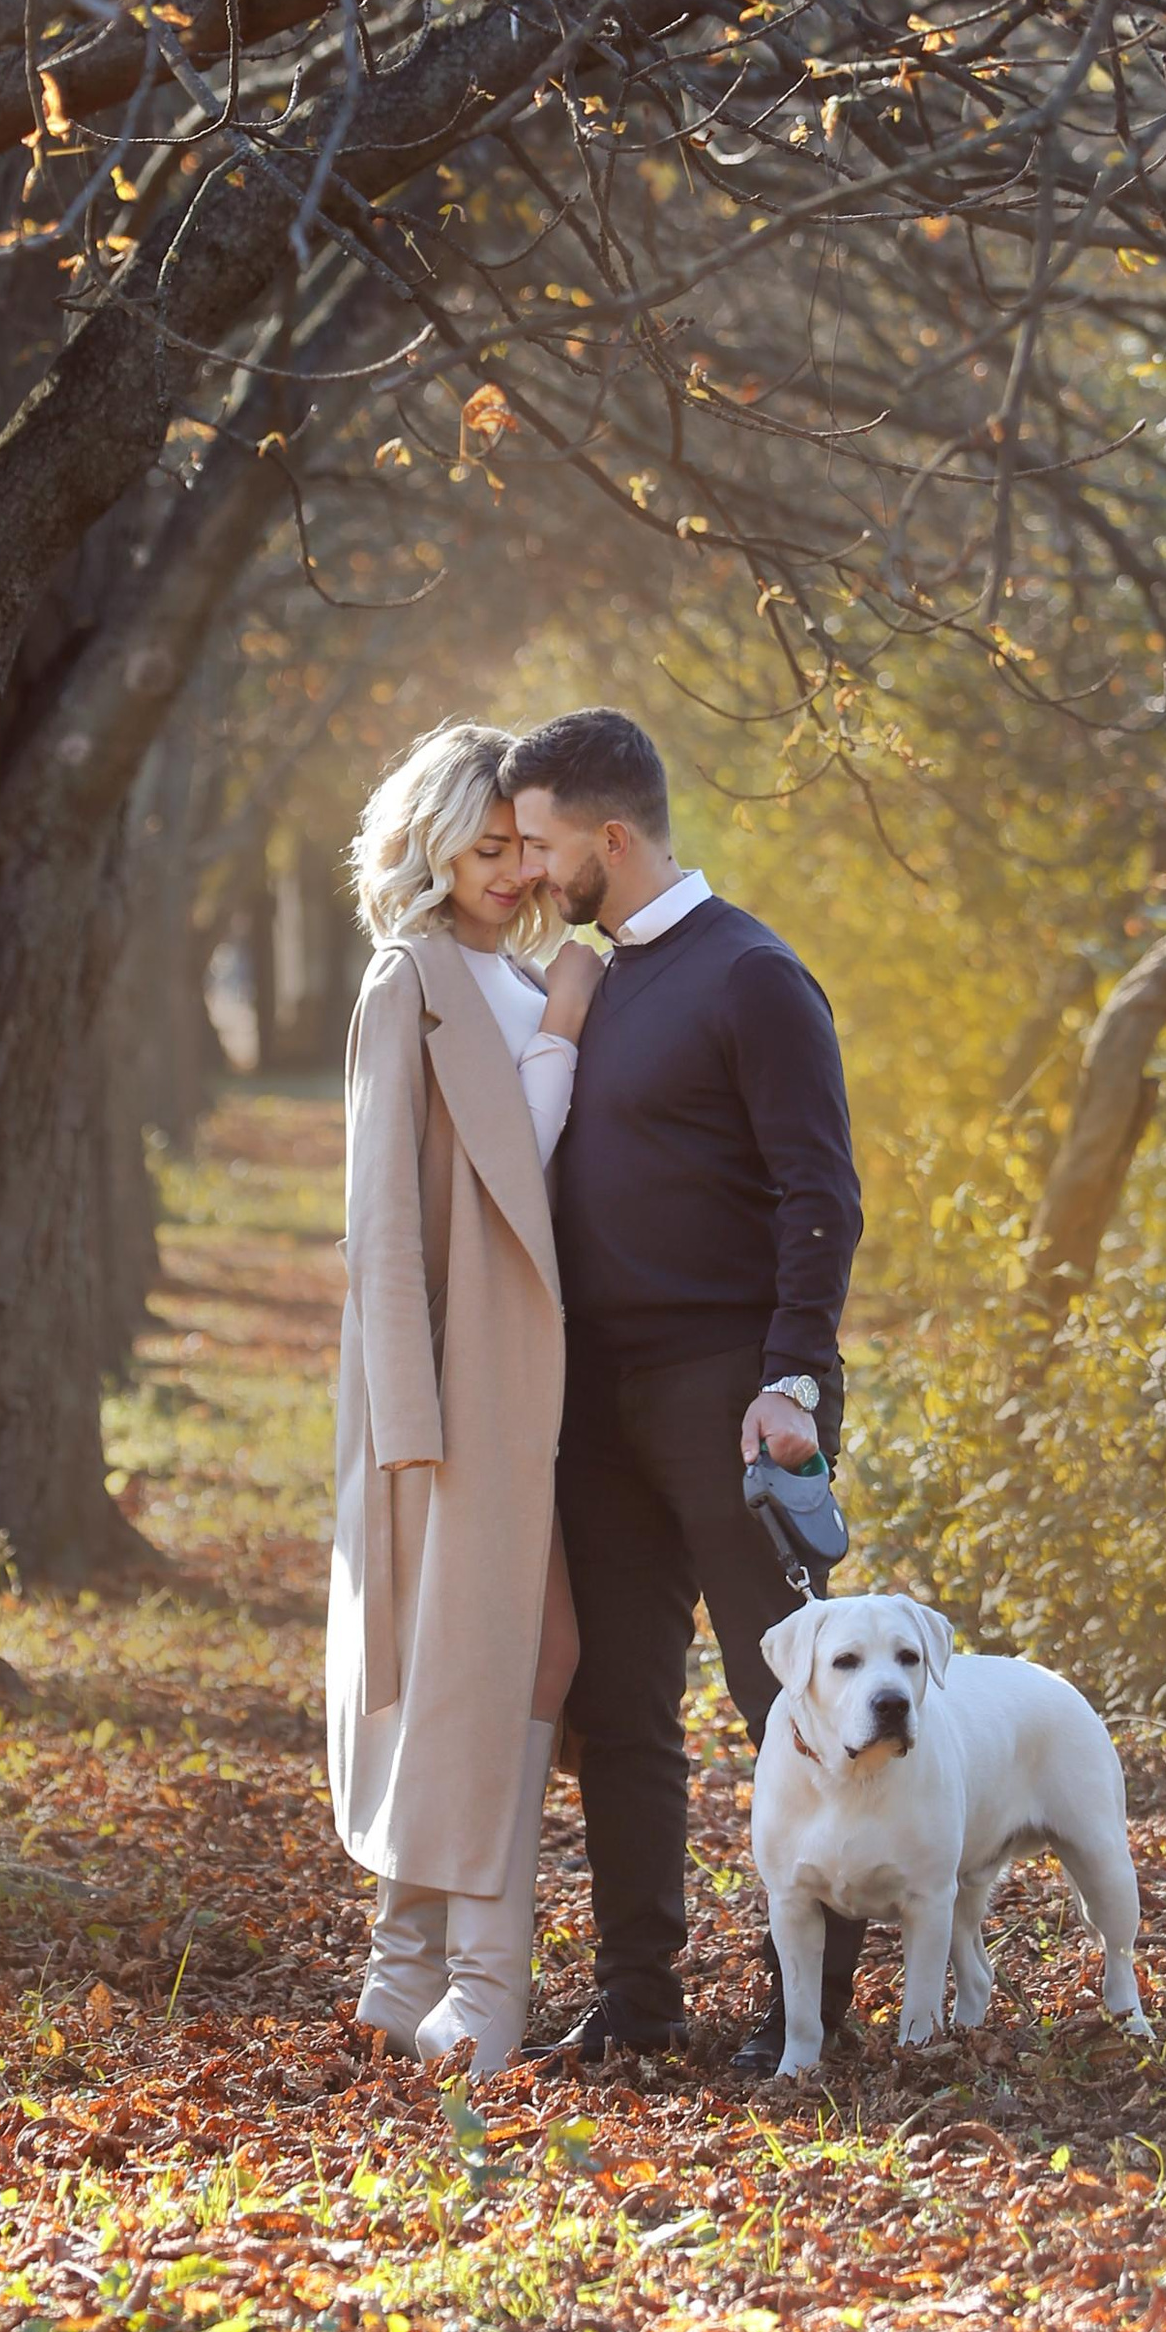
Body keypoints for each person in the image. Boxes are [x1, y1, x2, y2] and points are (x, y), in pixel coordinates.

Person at [501, 705, 868, 2072]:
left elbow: (818, 1192)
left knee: (784, 1700)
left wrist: (792, 1382)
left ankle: (808, 2006)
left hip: (729, 1393)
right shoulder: (599, 982)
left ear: (610, 834)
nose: (529, 871)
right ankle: (638, 1996)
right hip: (598, 1400)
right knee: (621, 1703)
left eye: (540, 844)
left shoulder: (751, 975)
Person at [326, 718, 599, 2074]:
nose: (505, 868)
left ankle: (411, 1980)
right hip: (456, 1380)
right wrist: (406, 1421)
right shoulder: (412, 976)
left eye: (518, 846)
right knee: (505, 1660)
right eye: (482, 846)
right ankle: (478, 1993)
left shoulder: (517, 969)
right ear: (434, 844)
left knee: (492, 1663)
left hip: (534, 1374)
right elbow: (384, 1213)